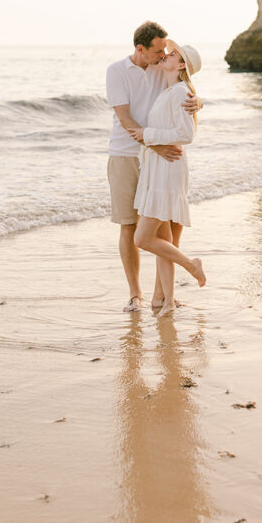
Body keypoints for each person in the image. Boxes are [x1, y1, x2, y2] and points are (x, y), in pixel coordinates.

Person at [105, 22, 201, 312]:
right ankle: (136, 294)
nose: (163, 55)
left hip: (160, 159)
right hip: (126, 154)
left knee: (168, 225)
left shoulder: (162, 67)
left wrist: (198, 101)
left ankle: (163, 296)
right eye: (158, 51)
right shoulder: (117, 71)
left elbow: (183, 89)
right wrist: (154, 143)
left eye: (166, 52)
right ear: (140, 49)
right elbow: (125, 119)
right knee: (128, 225)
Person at [130, 41, 206, 318]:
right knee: (163, 238)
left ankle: (191, 265)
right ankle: (164, 301)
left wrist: (147, 135)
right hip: (158, 168)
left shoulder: (179, 92)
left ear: (182, 65)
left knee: (142, 238)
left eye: (173, 55)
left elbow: (186, 135)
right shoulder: (170, 90)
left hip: (167, 169)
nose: (166, 56)